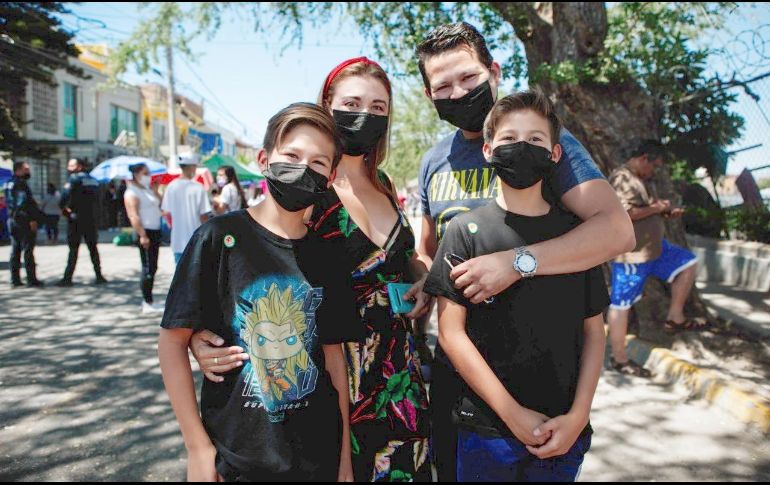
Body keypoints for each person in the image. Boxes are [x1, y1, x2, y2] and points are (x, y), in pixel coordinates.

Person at [188, 57, 433, 482]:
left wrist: (424, 279)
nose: (365, 115)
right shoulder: (307, 185)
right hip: (324, 374)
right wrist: (198, 336)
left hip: (396, 370)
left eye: (378, 107)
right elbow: (249, 263)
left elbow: (400, 260)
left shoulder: (385, 183)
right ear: (327, 104)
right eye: (352, 103)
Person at [413, 22, 635, 481]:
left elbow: (616, 231)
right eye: (443, 86)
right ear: (429, 95)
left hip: (540, 370)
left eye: (468, 78)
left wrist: (516, 263)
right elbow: (428, 247)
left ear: (494, 72)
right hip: (461, 377)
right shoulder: (433, 161)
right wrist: (421, 278)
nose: (459, 93)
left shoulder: (544, 141)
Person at [159, 102, 361, 481]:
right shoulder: (217, 239)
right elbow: (172, 342)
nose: (303, 168)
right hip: (236, 460)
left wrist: (344, 460)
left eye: (318, 162)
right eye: (292, 156)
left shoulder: (329, 256)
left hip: (317, 460)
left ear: (331, 176)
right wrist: (197, 447)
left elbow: (335, 362)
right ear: (264, 159)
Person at [425, 90, 608, 482]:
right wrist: (512, 414)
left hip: (563, 431)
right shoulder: (464, 232)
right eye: (509, 138)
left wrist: (579, 415)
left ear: (555, 154)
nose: (521, 146)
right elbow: (451, 333)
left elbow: (595, 331)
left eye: (535, 139)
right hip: (486, 431)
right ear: (488, 150)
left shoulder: (577, 236)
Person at [606, 140, 702, 377]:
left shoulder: (640, 179)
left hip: (656, 249)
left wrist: (664, 212)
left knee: (687, 263)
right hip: (632, 255)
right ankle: (619, 359)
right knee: (621, 306)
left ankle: (675, 317)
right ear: (643, 159)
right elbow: (625, 212)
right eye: (654, 165)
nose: (655, 171)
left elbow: (644, 209)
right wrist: (658, 207)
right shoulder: (622, 178)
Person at [58, 158, 108, 286]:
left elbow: (64, 196)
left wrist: (63, 208)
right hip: (91, 218)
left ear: (79, 167)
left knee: (73, 249)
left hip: (76, 218)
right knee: (93, 248)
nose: (69, 169)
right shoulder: (93, 180)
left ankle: (67, 278)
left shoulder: (74, 179)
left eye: (71, 166)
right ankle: (99, 275)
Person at [124, 163, 164, 314]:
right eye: (145, 173)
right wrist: (142, 235)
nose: (148, 176)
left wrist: (156, 191)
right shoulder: (132, 192)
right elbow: (133, 215)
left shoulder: (147, 189)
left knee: (153, 266)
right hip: (145, 231)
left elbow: (161, 204)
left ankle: (150, 299)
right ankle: (147, 301)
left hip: (155, 230)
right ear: (136, 174)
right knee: (147, 267)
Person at [160, 154, 211, 264]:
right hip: (196, 240)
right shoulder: (198, 187)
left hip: (177, 240)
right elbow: (204, 216)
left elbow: (166, 213)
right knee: (196, 273)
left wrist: (174, 227)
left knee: (179, 272)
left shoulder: (171, 187)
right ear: (191, 167)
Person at [5, 161, 45, 288]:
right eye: (26, 169)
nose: (28, 172)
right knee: (28, 249)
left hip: (12, 219)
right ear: (18, 170)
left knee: (15, 249)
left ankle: (15, 279)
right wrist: (32, 219)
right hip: (23, 220)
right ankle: (31, 279)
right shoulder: (20, 184)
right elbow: (23, 204)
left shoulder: (8, 183)